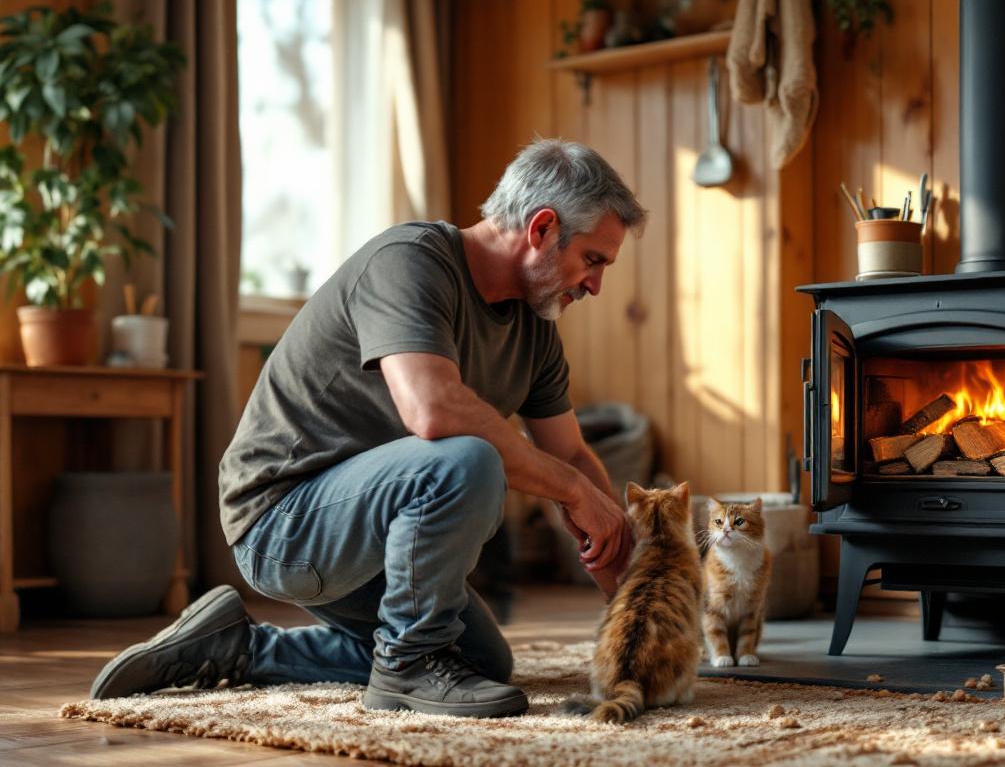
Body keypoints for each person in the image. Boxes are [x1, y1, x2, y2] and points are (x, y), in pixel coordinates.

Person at [89, 139, 648, 718]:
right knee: (466, 457)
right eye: (593, 259)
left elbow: (572, 455)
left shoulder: (536, 331)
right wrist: (576, 493)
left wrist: (636, 594)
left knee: (481, 662)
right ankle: (406, 668)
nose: (595, 285)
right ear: (541, 228)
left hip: (374, 534)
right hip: (281, 523)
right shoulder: (410, 261)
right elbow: (434, 411)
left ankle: (239, 647)